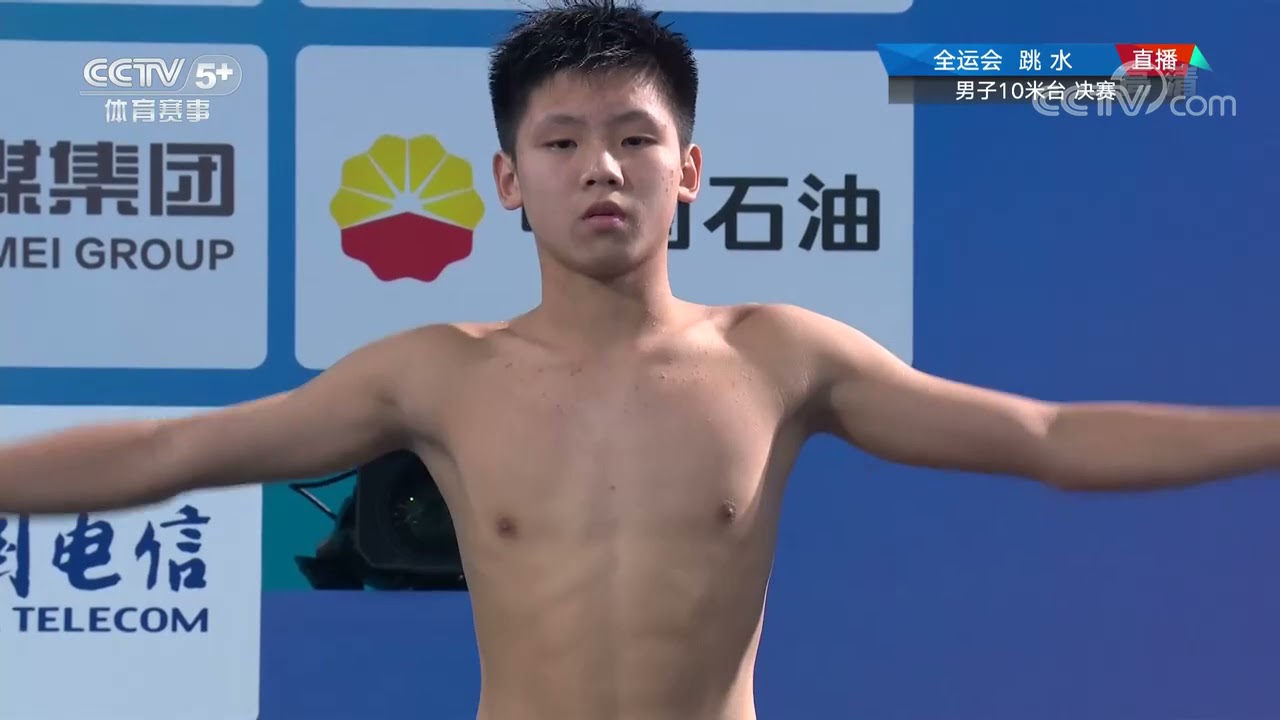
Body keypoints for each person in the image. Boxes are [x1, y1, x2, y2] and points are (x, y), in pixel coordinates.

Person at [1, 1, 1277, 718]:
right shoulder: (433, 373)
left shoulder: (779, 356)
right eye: (559, 143)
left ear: (691, 171)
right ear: (506, 182)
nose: (599, 167)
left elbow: (1045, 438)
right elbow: (172, 451)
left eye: (633, 138)